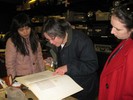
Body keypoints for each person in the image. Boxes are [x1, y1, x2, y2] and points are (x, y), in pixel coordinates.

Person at [42, 18, 99, 100]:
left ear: (61, 32)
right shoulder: (56, 42)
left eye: (52, 38)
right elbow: (61, 57)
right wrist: (51, 60)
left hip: (83, 88)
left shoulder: (81, 40)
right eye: (48, 39)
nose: (51, 42)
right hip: (67, 85)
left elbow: (92, 65)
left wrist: (68, 67)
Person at [98, 2, 133, 100]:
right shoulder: (126, 40)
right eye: (112, 26)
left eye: (117, 29)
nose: (112, 31)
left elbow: (129, 94)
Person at [5, 13, 45, 79]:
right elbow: (10, 64)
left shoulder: (35, 38)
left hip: (37, 75)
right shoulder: (12, 42)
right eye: (21, 30)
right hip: (22, 78)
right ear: (16, 30)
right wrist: (12, 80)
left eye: (27, 28)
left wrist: (43, 73)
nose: (25, 32)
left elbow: (39, 57)